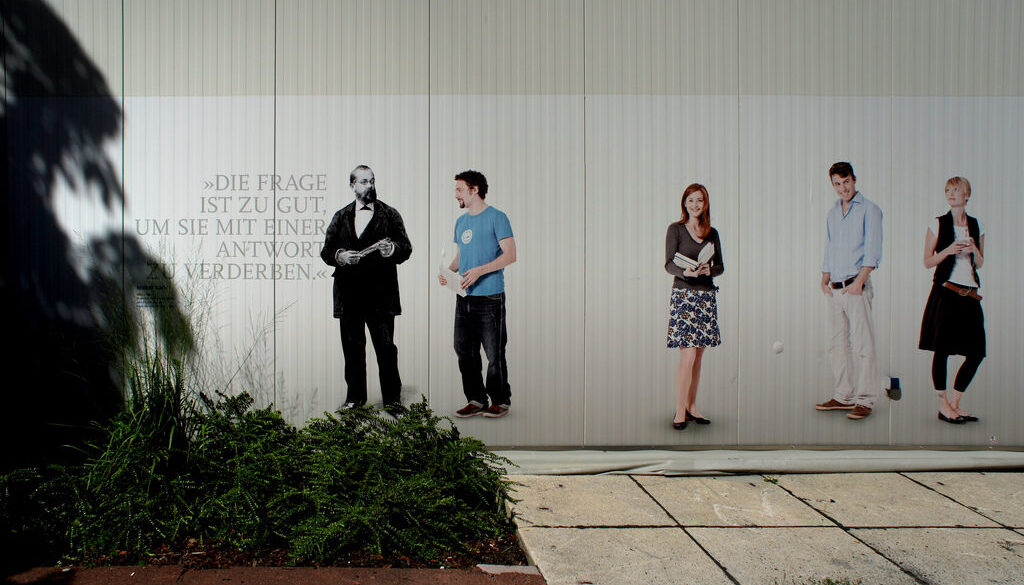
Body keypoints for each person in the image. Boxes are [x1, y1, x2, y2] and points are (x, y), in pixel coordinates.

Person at [320, 165, 412, 412]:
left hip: (381, 298)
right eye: (363, 182)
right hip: (349, 297)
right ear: (352, 186)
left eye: (371, 181)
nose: (369, 186)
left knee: (386, 350)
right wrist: (340, 256)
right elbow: (326, 251)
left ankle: (393, 402)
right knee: (352, 351)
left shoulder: (390, 214)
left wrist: (392, 249)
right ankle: (355, 400)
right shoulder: (340, 217)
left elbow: (406, 248)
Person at [438, 170, 517, 418]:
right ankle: (476, 399)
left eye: (459, 189)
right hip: (464, 297)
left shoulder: (497, 217)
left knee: (494, 353)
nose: (456, 194)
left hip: (490, 297)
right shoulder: (461, 222)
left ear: (474, 190)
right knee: (464, 350)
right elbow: (462, 255)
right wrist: (448, 271)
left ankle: (501, 401)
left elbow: (510, 255)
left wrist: (481, 271)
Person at [814, 162, 883, 420]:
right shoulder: (833, 212)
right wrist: (824, 277)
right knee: (836, 344)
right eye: (837, 184)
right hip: (835, 289)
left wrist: (860, 282)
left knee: (863, 345)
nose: (842, 188)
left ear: (854, 179)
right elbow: (829, 246)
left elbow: (873, 250)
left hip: (856, 286)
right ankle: (844, 395)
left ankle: (865, 399)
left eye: (846, 182)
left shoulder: (870, 210)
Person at [919, 176, 985, 424]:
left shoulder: (976, 225)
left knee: (977, 352)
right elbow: (927, 261)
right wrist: (948, 251)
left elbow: (980, 263)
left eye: (956, 190)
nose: (951, 193)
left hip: (970, 295)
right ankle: (942, 403)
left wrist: (973, 250)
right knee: (942, 350)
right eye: (948, 189)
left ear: (967, 195)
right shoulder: (938, 224)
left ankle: (954, 404)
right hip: (946, 292)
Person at [664, 183, 724, 430]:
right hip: (685, 296)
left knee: (698, 355)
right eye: (691, 200)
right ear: (684, 203)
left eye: (700, 200)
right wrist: (686, 271)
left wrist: (709, 269)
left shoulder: (712, 232)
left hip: (706, 296)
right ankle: (679, 410)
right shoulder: (675, 229)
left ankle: (692, 406)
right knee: (687, 355)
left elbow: (721, 266)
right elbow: (668, 264)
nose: (695, 205)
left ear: (705, 203)